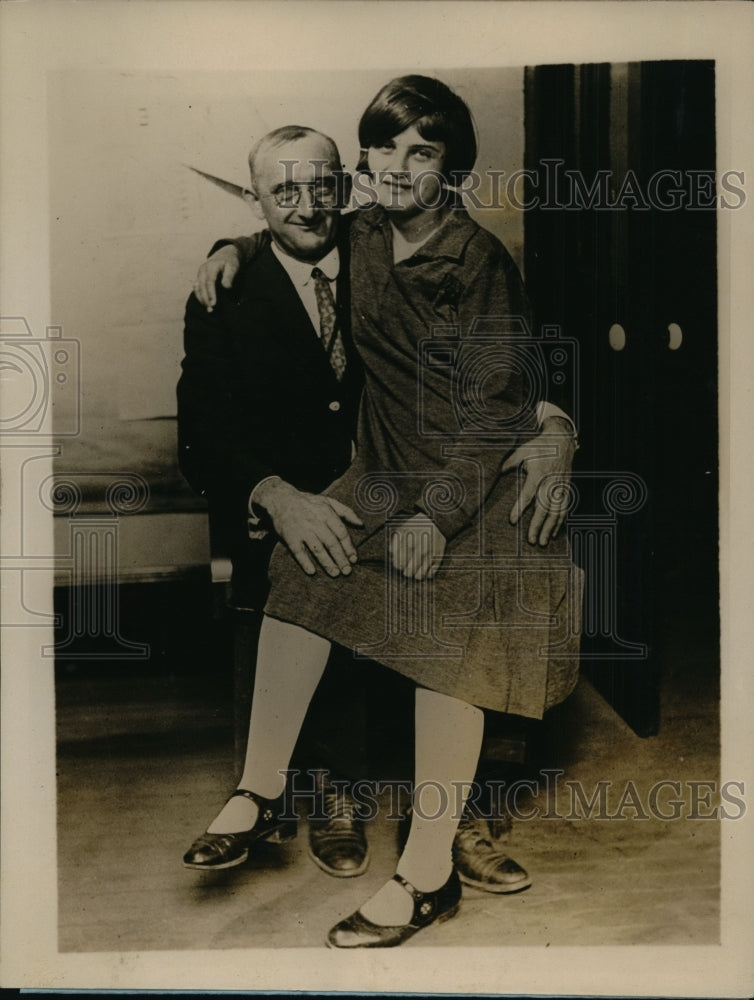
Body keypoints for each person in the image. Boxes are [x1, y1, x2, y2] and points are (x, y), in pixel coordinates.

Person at [183, 76, 582, 947]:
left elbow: (497, 411)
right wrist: (232, 248)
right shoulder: (360, 232)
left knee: (447, 628)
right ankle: (257, 790)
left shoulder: (477, 263)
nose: (399, 168)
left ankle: (429, 868)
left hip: (476, 481)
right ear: (364, 157)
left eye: (424, 153)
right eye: (385, 148)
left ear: (452, 169)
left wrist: (438, 517)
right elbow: (287, 231)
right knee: (302, 560)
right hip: (387, 472)